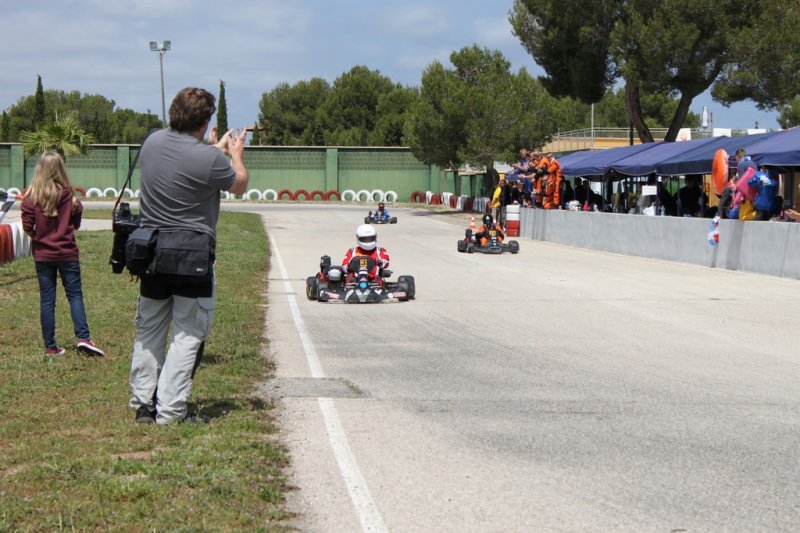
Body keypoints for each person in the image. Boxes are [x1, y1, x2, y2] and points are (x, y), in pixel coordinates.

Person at [129, 87, 249, 425]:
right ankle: (170, 411)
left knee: (149, 328)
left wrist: (215, 148)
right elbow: (238, 183)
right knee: (187, 334)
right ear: (205, 121)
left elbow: (183, 159)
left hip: (150, 251)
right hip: (191, 255)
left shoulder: (151, 142)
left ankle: (143, 403)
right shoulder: (209, 159)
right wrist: (234, 153)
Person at [21, 152, 104, 358]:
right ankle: (83, 338)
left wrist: (40, 236)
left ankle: (51, 347)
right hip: (67, 253)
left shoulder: (31, 197)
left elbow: (27, 227)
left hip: (43, 255)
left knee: (47, 300)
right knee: (75, 295)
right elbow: (76, 222)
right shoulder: (69, 195)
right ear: (60, 169)